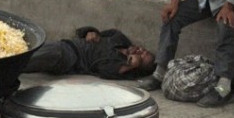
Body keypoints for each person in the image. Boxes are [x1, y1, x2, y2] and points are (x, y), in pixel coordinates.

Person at [23, 26, 155, 80]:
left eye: (142, 56)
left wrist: (130, 65)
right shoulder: (119, 38)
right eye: (144, 50)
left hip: (67, 57)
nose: (141, 50)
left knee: (24, 60)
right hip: (65, 44)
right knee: (24, 50)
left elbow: (103, 70)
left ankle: (5, 66)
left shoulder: (117, 66)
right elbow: (83, 31)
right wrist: (91, 33)